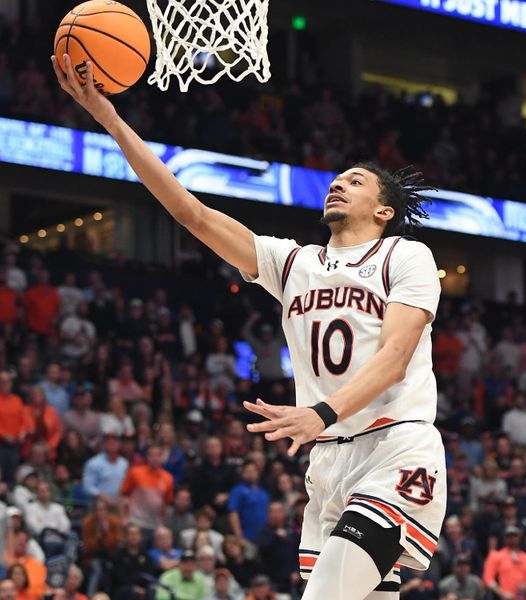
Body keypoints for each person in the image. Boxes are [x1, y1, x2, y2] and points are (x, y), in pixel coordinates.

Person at [53, 57, 446, 600]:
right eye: (336, 178)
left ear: (383, 211)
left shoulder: (407, 255)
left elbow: (396, 356)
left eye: (354, 181)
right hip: (328, 459)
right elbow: (191, 213)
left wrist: (320, 411)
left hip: (394, 447)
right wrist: (112, 120)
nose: (338, 184)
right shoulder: (292, 263)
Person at [482, 525, 526, 599]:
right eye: (509, 536)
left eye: (514, 536)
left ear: (519, 538)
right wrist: (501, 592)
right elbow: (487, 578)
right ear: (504, 539)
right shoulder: (496, 556)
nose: (512, 539)